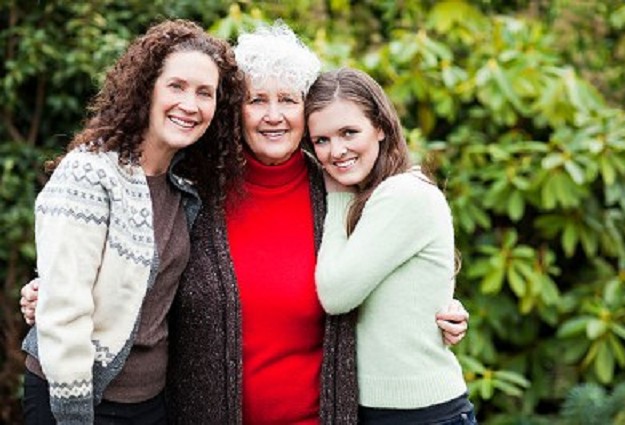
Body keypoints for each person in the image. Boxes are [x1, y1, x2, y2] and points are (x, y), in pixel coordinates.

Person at [20, 22, 469, 424]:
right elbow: (140, 272)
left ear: (306, 111)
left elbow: (395, 266)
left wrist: (441, 309)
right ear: (236, 110)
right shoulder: (195, 186)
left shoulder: (342, 191)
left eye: (288, 100)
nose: (273, 115)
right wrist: (53, 291)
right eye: (257, 100)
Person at [20, 19, 245, 424]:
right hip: (79, 398)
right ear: (147, 88)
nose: (190, 104)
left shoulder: (187, 184)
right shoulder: (90, 173)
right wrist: (74, 413)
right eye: (176, 86)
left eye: (205, 93)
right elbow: (64, 309)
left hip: (151, 403)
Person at [306, 67, 477, 424]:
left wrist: (337, 197)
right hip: (381, 411)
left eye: (349, 132)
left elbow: (336, 294)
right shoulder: (371, 198)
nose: (337, 151)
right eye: (321, 140)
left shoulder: (404, 194)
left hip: (421, 414)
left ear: (381, 127)